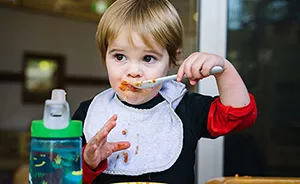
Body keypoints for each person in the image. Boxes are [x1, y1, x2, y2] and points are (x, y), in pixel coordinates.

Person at [72, 0, 257, 183]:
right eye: (120, 56)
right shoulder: (89, 113)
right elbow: (62, 176)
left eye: (148, 58)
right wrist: (88, 163)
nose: (134, 71)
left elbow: (239, 116)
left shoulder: (185, 108)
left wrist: (224, 70)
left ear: (172, 60)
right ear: (105, 57)